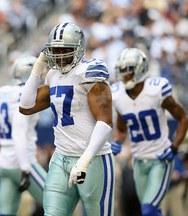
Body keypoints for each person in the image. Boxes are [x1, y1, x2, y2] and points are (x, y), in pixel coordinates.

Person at [19, 22, 115, 216]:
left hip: (94, 159)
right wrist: (37, 69)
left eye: (65, 49)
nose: (60, 55)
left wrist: (86, 159)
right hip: (61, 157)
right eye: (55, 49)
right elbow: (25, 106)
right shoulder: (53, 75)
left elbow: (105, 121)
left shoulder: (90, 71)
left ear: (78, 50)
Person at [110, 47, 188, 216]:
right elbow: (122, 128)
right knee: (151, 210)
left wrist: (174, 147)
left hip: (160, 159)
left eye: (128, 71)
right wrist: (117, 141)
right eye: (122, 71)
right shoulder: (118, 95)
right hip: (138, 161)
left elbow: (183, 117)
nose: (124, 75)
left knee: (148, 210)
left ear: (140, 70)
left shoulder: (156, 90)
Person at [0, 55, 47, 215]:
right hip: (22, 162)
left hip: (4, 164)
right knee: (58, 204)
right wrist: (25, 168)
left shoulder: (3, 92)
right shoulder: (25, 94)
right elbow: (18, 133)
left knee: (7, 213)